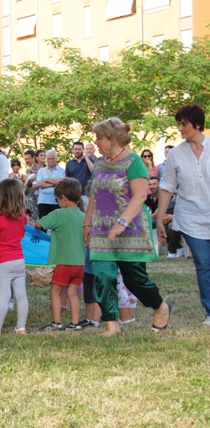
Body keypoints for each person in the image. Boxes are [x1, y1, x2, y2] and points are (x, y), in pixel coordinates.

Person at [86, 117, 171, 336]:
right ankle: (111, 324)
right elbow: (94, 195)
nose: (95, 142)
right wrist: (87, 224)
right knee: (103, 277)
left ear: (112, 139)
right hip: (101, 231)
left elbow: (140, 195)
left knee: (135, 281)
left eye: (99, 137)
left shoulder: (134, 162)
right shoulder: (99, 164)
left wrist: (121, 223)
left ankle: (160, 307)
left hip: (131, 230)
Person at [157, 104, 210, 325]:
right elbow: (166, 187)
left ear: (197, 124)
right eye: (178, 124)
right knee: (203, 263)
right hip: (190, 218)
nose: (179, 128)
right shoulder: (176, 154)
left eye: (183, 124)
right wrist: (160, 218)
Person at [37, 178, 85, 331]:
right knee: (72, 293)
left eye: (57, 199)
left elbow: (39, 224)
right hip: (80, 263)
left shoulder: (59, 214)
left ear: (63, 197)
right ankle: (75, 323)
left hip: (64, 262)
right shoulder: (83, 216)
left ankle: (56, 323)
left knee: (55, 291)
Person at [0, 179, 29, 335]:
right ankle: (21, 327)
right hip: (19, 260)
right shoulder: (22, 217)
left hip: (3, 262)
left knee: (4, 297)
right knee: (21, 296)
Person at [33, 149, 65, 219]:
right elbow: (39, 183)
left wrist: (46, 180)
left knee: (56, 222)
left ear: (56, 159)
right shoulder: (41, 171)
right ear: (46, 159)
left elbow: (61, 182)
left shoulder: (61, 170)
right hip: (43, 201)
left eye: (52, 158)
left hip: (56, 201)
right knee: (43, 223)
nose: (50, 160)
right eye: (49, 158)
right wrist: (54, 183)